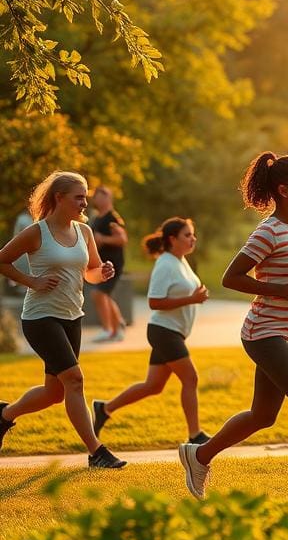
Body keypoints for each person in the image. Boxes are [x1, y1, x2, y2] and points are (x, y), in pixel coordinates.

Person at [178, 152, 288, 501]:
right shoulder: (267, 232)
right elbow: (231, 278)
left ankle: (199, 455)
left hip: (286, 333)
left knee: (263, 415)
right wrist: (280, 290)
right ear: (283, 190)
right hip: (264, 332)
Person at [0, 171, 126, 468]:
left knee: (54, 393)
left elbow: (91, 272)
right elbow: (2, 259)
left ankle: (4, 415)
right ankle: (97, 452)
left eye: (86, 197)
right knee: (75, 380)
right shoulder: (37, 232)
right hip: (41, 317)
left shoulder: (85, 232)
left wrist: (102, 273)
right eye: (78, 197)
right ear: (59, 197)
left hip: (72, 316)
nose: (85, 203)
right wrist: (32, 281)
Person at [92, 218, 211, 444]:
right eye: (187, 235)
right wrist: (192, 299)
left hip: (173, 332)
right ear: (172, 239)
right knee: (191, 378)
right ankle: (195, 435)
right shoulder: (165, 264)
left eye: (192, 234)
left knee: (153, 386)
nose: (193, 239)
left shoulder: (180, 261)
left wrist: (196, 296)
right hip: (164, 332)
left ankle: (104, 408)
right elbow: (154, 302)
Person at [89, 186, 128, 342]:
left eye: (102, 196)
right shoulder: (96, 218)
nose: (98, 200)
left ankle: (108, 329)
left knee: (98, 294)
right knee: (105, 295)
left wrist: (103, 239)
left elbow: (122, 239)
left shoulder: (113, 219)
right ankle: (118, 325)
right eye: (96, 197)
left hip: (113, 264)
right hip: (101, 264)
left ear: (108, 198)